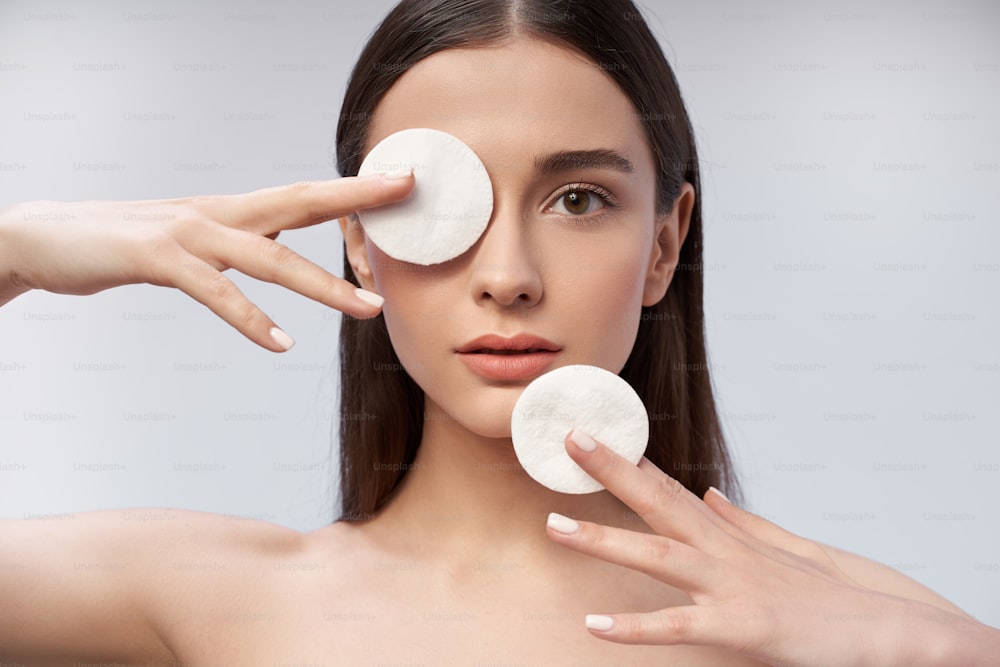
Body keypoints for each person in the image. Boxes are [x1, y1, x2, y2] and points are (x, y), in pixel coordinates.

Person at [1, 0, 998, 664]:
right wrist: (16, 247)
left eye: (576, 198)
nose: (509, 277)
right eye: (438, 202)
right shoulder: (207, 598)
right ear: (359, 242)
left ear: (664, 245)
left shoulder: (829, 614)